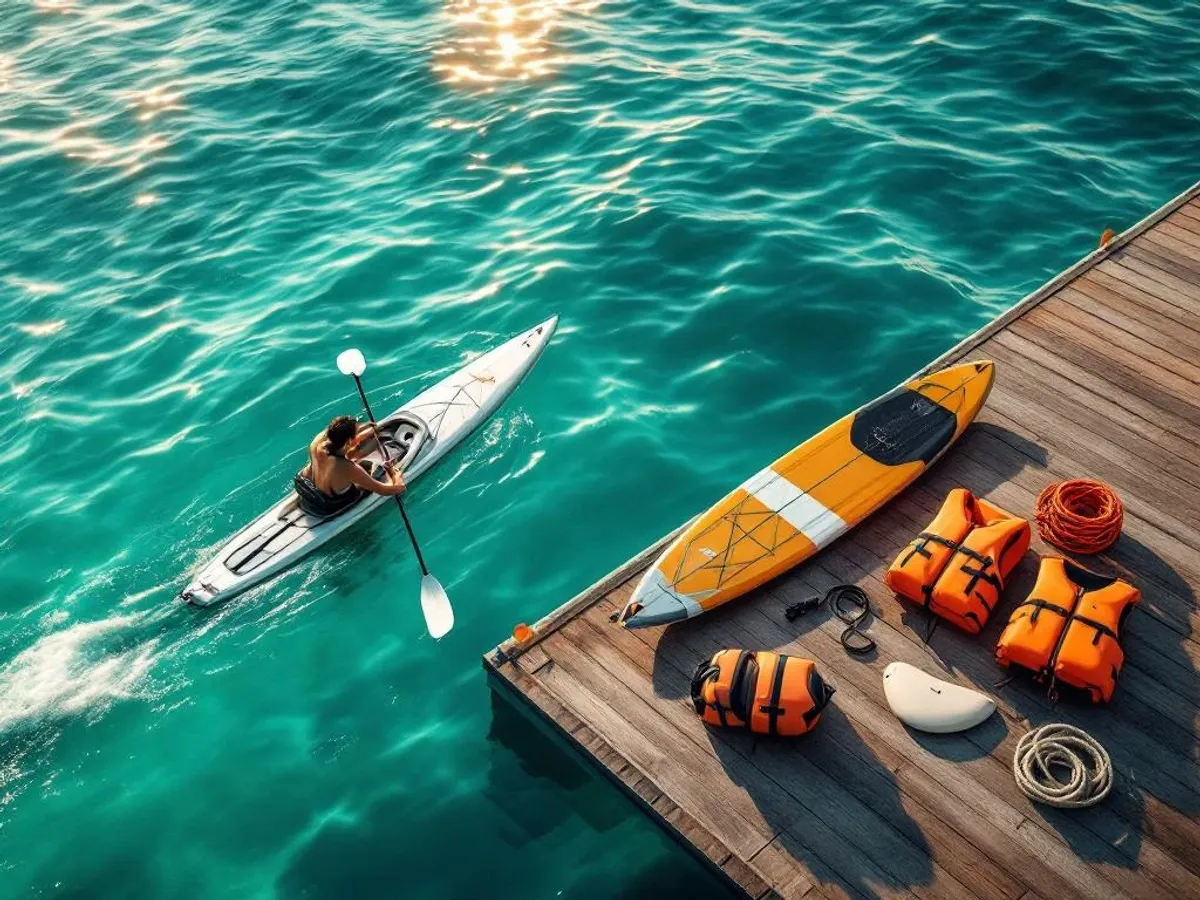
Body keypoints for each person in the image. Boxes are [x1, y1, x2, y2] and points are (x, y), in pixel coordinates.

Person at [296, 415, 406, 511]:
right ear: (348, 441)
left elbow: (341, 443)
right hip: (334, 503)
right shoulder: (347, 468)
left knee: (349, 454)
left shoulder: (318, 443)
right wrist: (395, 474)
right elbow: (389, 490)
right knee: (378, 469)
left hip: (312, 490)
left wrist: (363, 428)